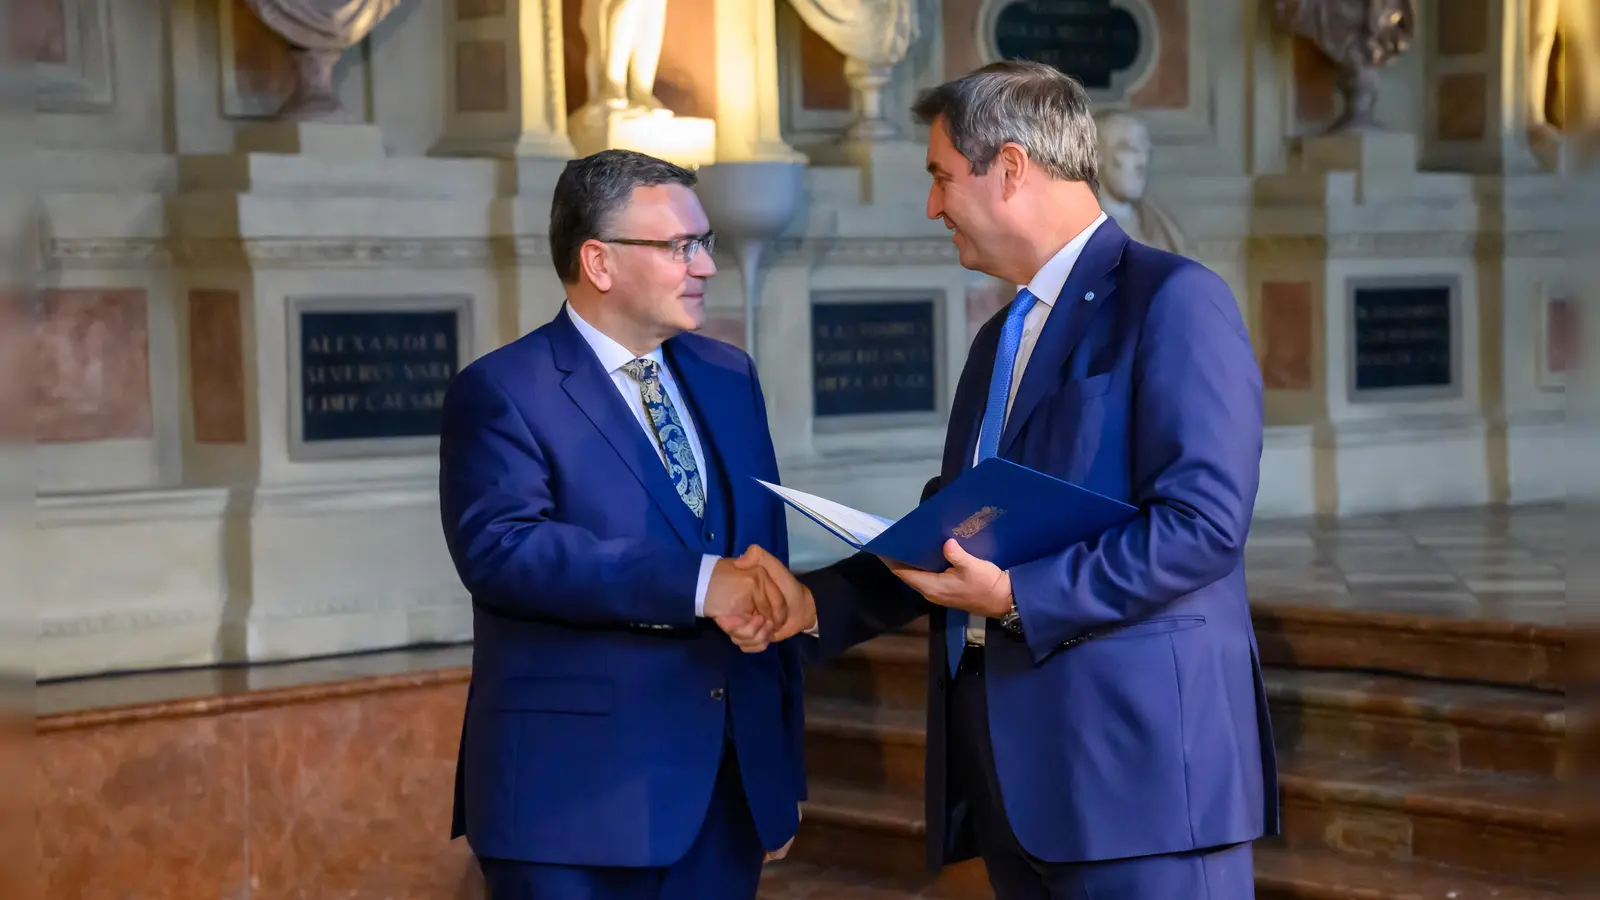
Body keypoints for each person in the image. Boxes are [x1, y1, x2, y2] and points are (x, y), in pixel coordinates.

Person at [741, 61, 1279, 899]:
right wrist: (817, 604)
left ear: (1013, 169)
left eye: (941, 177)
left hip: (1139, 783)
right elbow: (960, 533)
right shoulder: (1000, 337)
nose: (931, 205)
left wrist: (1018, 594)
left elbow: (1204, 526)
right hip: (1011, 783)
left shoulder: (1175, 301)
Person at [439, 149, 809, 900]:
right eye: (682, 246)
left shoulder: (729, 375)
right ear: (599, 261)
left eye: (706, 243)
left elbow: (767, 568)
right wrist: (701, 585)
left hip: (724, 797)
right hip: (572, 806)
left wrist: (779, 768)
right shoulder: (504, 390)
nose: (705, 266)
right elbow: (505, 550)